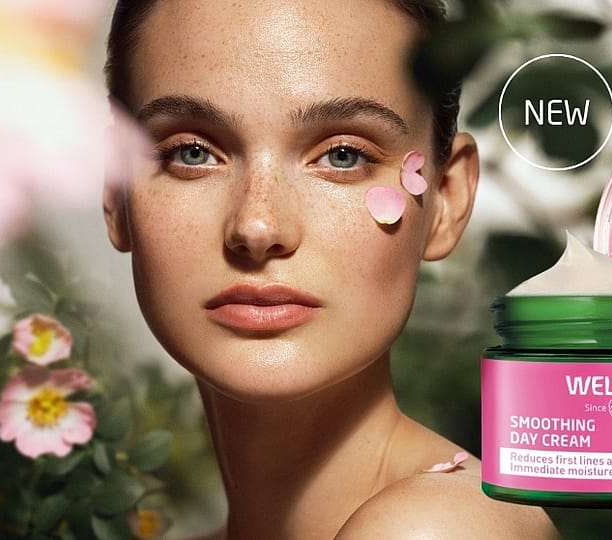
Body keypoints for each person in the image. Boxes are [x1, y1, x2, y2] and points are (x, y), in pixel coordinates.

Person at [102, 0, 559, 537]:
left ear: (446, 199)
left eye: (343, 155)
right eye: (193, 153)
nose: (257, 226)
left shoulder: (438, 528)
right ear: (114, 191)